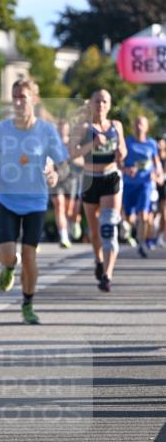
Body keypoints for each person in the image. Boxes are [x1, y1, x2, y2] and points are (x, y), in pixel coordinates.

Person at [0, 77, 69, 323]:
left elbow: (62, 165)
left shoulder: (46, 131)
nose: (19, 101)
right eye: (15, 96)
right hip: (8, 198)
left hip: (36, 202)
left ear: (34, 99)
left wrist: (54, 175)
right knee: (8, 254)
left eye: (23, 96)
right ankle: (9, 267)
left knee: (30, 256)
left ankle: (28, 303)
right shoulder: (1, 129)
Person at [70, 90, 126, 291]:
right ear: (91, 104)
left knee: (108, 226)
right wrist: (92, 144)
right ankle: (98, 259)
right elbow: (72, 152)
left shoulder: (116, 126)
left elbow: (123, 151)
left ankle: (107, 275)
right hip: (90, 179)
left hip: (110, 177)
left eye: (104, 101)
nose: (100, 105)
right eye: (97, 101)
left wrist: (121, 154)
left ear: (109, 105)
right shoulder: (83, 127)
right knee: (94, 232)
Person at [122, 116, 163, 258]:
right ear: (134, 126)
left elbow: (156, 161)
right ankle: (129, 227)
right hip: (129, 184)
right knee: (128, 216)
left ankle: (141, 244)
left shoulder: (151, 144)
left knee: (144, 215)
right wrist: (126, 170)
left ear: (146, 127)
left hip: (145, 183)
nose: (139, 126)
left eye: (142, 124)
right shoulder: (127, 142)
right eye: (137, 123)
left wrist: (158, 172)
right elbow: (119, 162)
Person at [50, 120, 81, 248]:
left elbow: (82, 161)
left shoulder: (73, 144)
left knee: (69, 211)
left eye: (64, 128)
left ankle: (74, 221)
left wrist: (71, 157)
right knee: (59, 206)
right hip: (57, 179)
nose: (61, 130)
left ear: (68, 130)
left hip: (71, 179)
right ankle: (63, 236)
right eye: (59, 128)